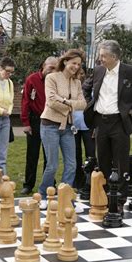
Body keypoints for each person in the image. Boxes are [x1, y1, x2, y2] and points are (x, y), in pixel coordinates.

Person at [83, 40, 132, 214]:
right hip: (100, 122)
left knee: (121, 162)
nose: (100, 59)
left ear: (114, 57)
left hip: (119, 122)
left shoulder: (129, 72)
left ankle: (120, 200)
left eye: (103, 56)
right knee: (102, 160)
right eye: (100, 55)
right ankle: (106, 195)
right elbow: (85, 87)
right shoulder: (99, 70)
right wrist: (90, 103)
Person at [39, 49, 87, 210]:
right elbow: (51, 101)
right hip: (49, 125)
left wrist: (65, 101)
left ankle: (66, 197)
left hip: (68, 127)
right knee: (52, 164)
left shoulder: (77, 82)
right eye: (73, 63)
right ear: (65, 61)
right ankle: (44, 194)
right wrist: (71, 105)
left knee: (72, 164)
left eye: (79, 64)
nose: (76, 66)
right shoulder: (52, 78)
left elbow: (83, 104)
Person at [20, 57, 58, 195]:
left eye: (56, 68)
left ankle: (49, 183)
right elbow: (25, 101)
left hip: (51, 120)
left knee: (50, 155)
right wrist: (26, 123)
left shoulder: (56, 80)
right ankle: (28, 184)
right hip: (35, 120)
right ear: (43, 65)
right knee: (32, 154)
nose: (53, 70)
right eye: (51, 67)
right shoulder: (32, 79)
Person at [73, 69, 96, 189]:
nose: (79, 76)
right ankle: (77, 181)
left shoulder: (90, 90)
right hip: (74, 127)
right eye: (77, 73)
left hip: (88, 127)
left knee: (90, 154)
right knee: (75, 155)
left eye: (82, 73)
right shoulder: (70, 88)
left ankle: (90, 182)